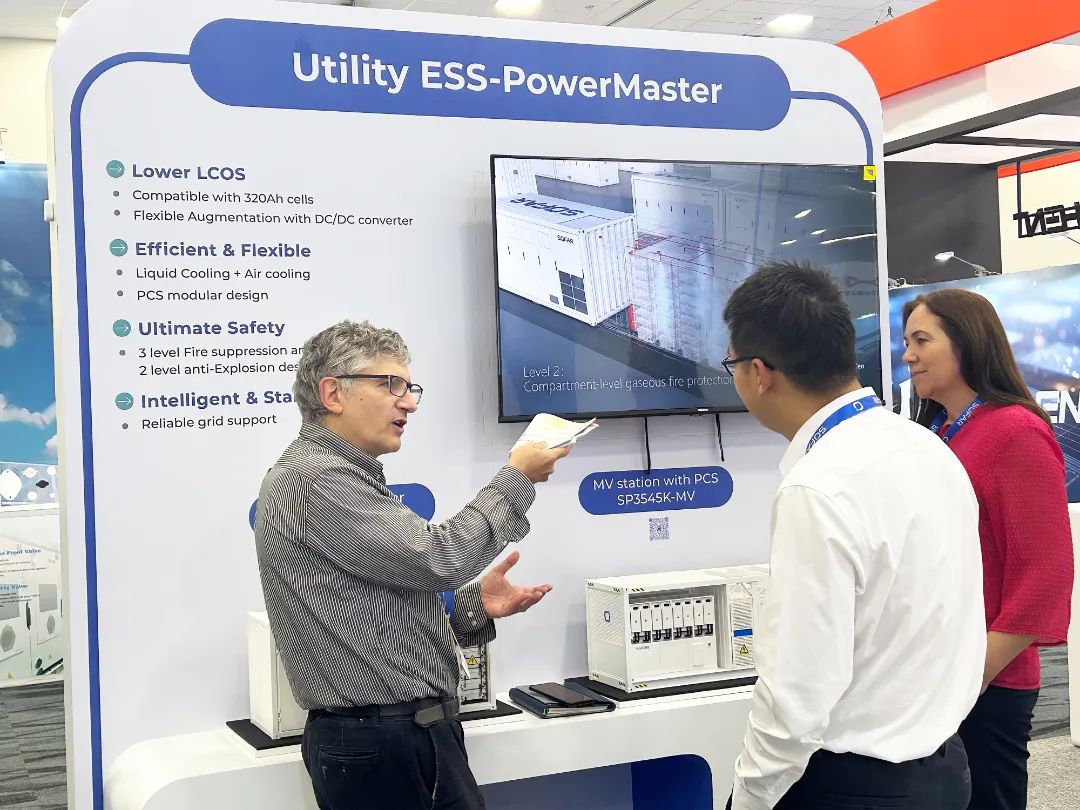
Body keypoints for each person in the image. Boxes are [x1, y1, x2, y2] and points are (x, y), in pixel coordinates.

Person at [254, 319, 570, 810]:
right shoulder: (317, 480)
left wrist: (470, 605)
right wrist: (516, 477)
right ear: (333, 393)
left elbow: (373, 612)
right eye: (390, 385)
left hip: (402, 735)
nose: (409, 403)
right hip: (383, 741)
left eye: (409, 387)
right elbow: (439, 558)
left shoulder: (340, 476)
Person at [723, 261, 986, 810]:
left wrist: (748, 797)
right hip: (945, 768)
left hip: (852, 785)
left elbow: (796, 694)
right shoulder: (928, 448)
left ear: (760, 373)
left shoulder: (816, 488)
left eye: (732, 365)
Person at [902, 288, 1073, 810]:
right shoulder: (941, 430)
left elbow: (1045, 572)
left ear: (966, 342)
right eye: (907, 342)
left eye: (921, 340)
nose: (908, 355)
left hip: (987, 679)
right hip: (937, 669)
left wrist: (975, 672)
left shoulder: (1015, 431)